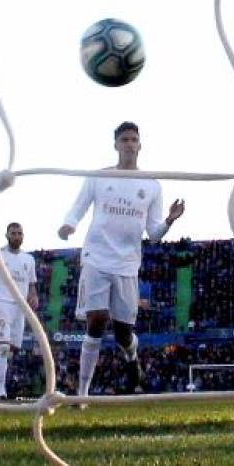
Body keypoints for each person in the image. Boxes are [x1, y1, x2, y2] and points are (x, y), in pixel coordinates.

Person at [58, 121, 185, 402]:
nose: (129, 144)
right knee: (96, 321)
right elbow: (79, 205)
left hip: (127, 263)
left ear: (140, 145)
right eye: (124, 139)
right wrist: (69, 224)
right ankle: (82, 394)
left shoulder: (151, 184)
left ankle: (132, 356)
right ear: (116, 145)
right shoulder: (99, 176)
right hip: (96, 256)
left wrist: (169, 221)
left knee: (123, 333)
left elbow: (153, 235)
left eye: (133, 139)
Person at [0, 221, 39, 401]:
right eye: (13, 233)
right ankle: (1, 391)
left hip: (20, 308)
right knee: (3, 346)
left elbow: (32, 284)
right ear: (7, 235)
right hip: (2, 304)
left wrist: (34, 297)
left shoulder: (29, 260)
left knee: (9, 350)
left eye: (19, 233)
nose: (17, 236)